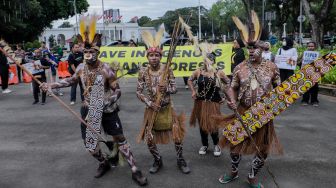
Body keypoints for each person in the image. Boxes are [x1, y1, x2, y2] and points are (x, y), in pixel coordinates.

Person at [40, 17, 147, 186]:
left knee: (119, 137)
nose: (88, 55)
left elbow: (117, 90)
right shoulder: (81, 68)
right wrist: (51, 85)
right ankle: (103, 162)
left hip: (107, 109)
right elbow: (70, 81)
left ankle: (135, 169)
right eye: (85, 53)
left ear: (98, 53)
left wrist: (108, 100)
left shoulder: (106, 69)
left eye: (91, 53)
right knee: (90, 145)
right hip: (89, 108)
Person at [218, 11, 283, 188]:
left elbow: (280, 90)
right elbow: (232, 87)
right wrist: (231, 100)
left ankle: (252, 176)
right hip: (243, 111)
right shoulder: (239, 68)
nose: (251, 51)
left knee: (262, 148)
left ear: (263, 49)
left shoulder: (272, 68)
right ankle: (233, 171)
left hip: (264, 112)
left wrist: (275, 105)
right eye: (249, 48)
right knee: (234, 142)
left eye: (255, 48)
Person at [136, 29, 190, 174]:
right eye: (151, 55)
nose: (153, 58)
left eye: (156, 55)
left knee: (177, 137)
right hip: (151, 110)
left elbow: (175, 89)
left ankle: (180, 159)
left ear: (160, 57)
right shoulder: (143, 72)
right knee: (149, 139)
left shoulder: (167, 70)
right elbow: (138, 92)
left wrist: (166, 88)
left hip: (167, 109)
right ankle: (157, 160)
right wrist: (149, 103)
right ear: (147, 57)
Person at [188, 43, 231, 157]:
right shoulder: (198, 72)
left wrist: (224, 96)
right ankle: (205, 145)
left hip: (214, 103)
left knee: (213, 124)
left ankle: (217, 145)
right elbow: (189, 80)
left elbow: (228, 82)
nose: (208, 62)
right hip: (200, 102)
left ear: (213, 61)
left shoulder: (218, 72)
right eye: (206, 59)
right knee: (202, 124)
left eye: (210, 60)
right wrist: (193, 91)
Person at [300, 41, 320, 106]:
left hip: (314, 72)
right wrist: (301, 59)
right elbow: (299, 61)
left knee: (315, 87)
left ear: (314, 47)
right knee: (305, 86)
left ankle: (314, 101)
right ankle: (305, 100)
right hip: (305, 72)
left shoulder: (318, 54)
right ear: (307, 47)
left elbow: (320, 63)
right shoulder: (304, 53)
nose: (310, 47)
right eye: (309, 46)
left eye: (312, 46)